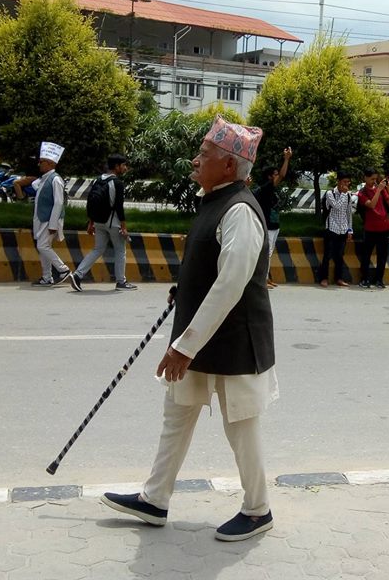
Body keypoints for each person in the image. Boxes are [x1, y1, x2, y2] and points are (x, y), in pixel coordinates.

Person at [101, 116, 277, 542]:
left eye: (205, 154)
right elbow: (212, 267)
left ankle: (258, 510)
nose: (196, 160)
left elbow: (232, 282)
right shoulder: (213, 199)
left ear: (231, 166)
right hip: (200, 338)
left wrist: (184, 346)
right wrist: (186, 288)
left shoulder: (240, 211)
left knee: (241, 425)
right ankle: (154, 498)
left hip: (233, 341)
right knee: (177, 413)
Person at [69, 154, 136, 292]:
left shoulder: (98, 180)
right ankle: (121, 282)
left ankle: (77, 275)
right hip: (113, 222)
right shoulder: (117, 183)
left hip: (98, 221)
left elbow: (91, 203)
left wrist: (91, 222)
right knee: (120, 250)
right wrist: (124, 226)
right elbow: (118, 206)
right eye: (123, 165)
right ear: (117, 166)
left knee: (98, 249)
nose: (125, 168)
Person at [31, 142, 70, 287]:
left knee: (43, 247)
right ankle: (47, 277)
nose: (39, 164)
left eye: (41, 162)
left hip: (49, 221)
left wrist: (53, 224)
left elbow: (59, 203)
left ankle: (63, 270)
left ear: (49, 163)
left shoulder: (55, 179)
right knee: (43, 248)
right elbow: (36, 185)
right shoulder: (45, 178)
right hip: (42, 219)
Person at [253, 147, 292, 289]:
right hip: (268, 225)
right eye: (274, 174)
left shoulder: (270, 190)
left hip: (275, 225)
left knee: (269, 254)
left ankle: (266, 278)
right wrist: (286, 159)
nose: (278, 176)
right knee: (265, 254)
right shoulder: (266, 188)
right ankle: (262, 280)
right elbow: (282, 175)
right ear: (270, 177)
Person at [357, 168, 389, 289]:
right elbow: (371, 205)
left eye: (375, 179)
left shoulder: (381, 190)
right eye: (372, 179)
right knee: (366, 255)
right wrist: (378, 190)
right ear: (365, 178)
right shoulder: (362, 193)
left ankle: (379, 279)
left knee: (382, 255)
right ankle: (365, 279)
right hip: (370, 228)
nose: (374, 181)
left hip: (384, 227)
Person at [317, 172, 354, 287]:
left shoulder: (348, 195)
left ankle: (339, 278)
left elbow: (349, 213)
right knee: (327, 255)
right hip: (331, 227)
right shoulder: (330, 193)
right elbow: (336, 206)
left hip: (343, 228)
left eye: (348, 182)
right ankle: (324, 278)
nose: (346, 184)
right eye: (344, 182)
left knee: (339, 255)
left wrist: (350, 229)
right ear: (338, 181)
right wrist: (343, 194)